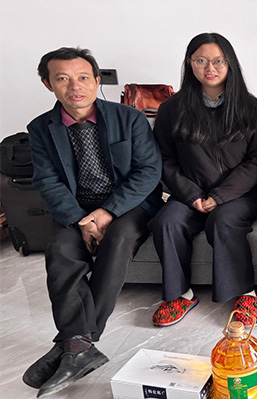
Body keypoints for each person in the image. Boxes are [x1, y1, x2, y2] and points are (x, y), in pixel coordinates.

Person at [23, 47, 163, 397]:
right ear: (48, 84)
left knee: (118, 240)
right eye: (63, 79)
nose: (75, 86)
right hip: (75, 208)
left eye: (83, 77)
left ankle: (74, 342)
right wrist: (80, 220)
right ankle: (78, 344)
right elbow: (47, 180)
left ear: (97, 81)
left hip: (128, 204)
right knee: (60, 251)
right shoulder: (40, 128)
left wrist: (108, 212)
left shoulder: (128, 118)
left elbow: (149, 171)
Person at [150, 33, 257, 327]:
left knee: (223, 220)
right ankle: (180, 295)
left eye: (218, 61)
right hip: (189, 192)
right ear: (189, 63)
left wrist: (220, 196)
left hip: (239, 194)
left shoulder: (250, 108)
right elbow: (164, 159)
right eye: (201, 60)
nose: (210, 68)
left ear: (230, 64)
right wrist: (191, 195)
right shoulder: (172, 109)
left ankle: (246, 294)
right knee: (167, 221)